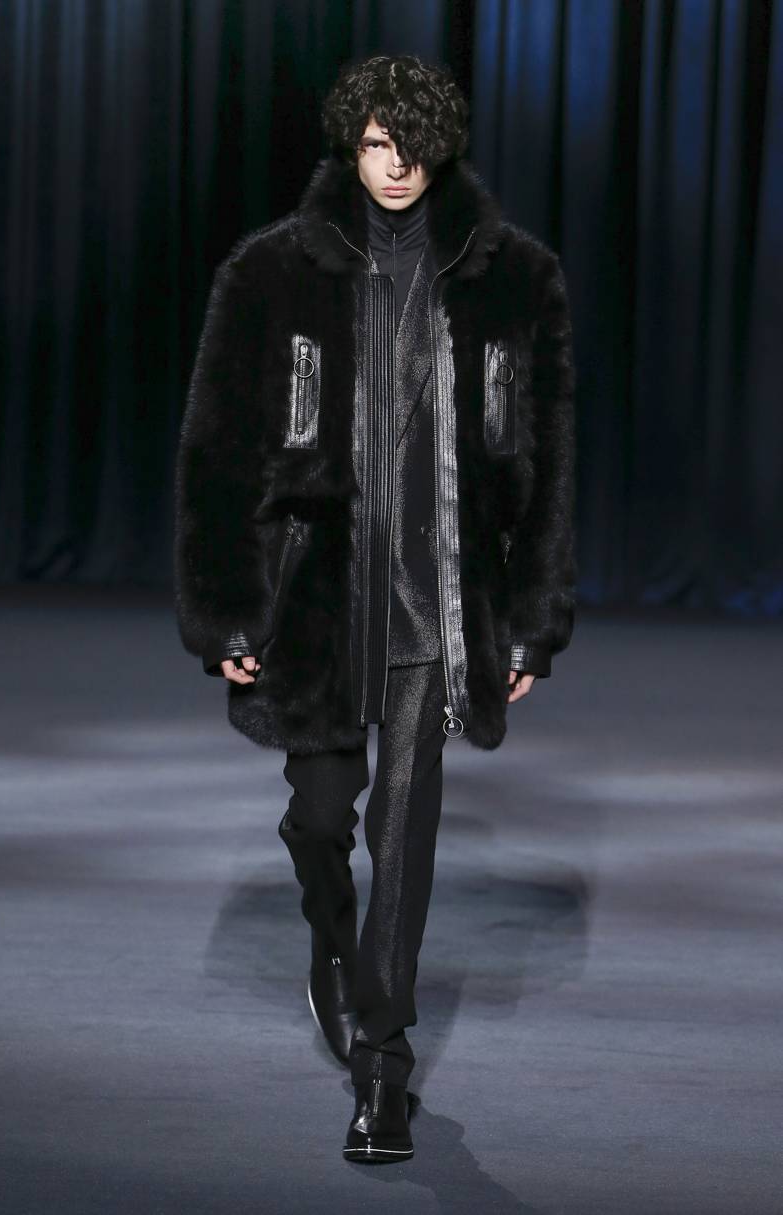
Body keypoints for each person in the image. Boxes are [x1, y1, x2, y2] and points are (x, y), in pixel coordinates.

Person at [173, 53, 576, 1163]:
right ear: (349, 146)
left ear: (442, 149)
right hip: (314, 595)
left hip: (438, 603)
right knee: (321, 820)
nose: (394, 165)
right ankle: (335, 947)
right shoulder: (271, 272)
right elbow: (215, 452)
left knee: (404, 825)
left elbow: (545, 464)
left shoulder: (514, 278)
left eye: (412, 145)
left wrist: (531, 616)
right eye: (374, 144)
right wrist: (227, 608)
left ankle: (382, 1067)